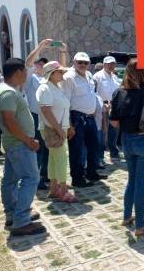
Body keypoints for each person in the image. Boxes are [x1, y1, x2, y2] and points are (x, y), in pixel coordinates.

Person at [110, 59, 144, 236]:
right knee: (141, 182)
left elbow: (114, 122)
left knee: (132, 179)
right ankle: (141, 225)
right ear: (143, 73)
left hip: (127, 139)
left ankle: (127, 216)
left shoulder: (118, 92)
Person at [0, 58, 46, 236]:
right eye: (25, 70)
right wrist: (28, 140)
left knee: (9, 180)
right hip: (19, 144)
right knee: (31, 178)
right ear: (17, 72)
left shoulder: (5, 89)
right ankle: (21, 221)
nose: (27, 73)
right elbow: (10, 121)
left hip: (14, 143)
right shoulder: (8, 93)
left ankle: (12, 214)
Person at [60, 52, 106, 187]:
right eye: (79, 62)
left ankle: (91, 172)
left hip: (90, 117)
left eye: (85, 63)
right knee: (76, 150)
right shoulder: (68, 77)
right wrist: (69, 124)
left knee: (94, 146)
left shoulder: (89, 75)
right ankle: (77, 178)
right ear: (74, 62)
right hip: (76, 117)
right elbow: (65, 102)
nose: (82, 65)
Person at [36, 61, 77, 203]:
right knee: (61, 159)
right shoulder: (45, 88)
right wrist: (59, 129)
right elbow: (45, 111)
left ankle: (54, 189)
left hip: (59, 127)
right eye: (59, 72)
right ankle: (63, 191)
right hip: (52, 129)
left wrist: (68, 126)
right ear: (51, 74)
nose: (63, 74)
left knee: (54, 159)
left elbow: (63, 109)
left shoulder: (55, 87)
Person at [25, 39, 64, 189]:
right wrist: (40, 46)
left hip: (49, 118)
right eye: (38, 63)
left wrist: (62, 50)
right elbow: (28, 61)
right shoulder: (30, 78)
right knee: (38, 149)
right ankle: (37, 179)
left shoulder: (48, 80)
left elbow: (61, 69)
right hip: (36, 117)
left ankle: (46, 176)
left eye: (43, 64)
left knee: (48, 149)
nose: (40, 65)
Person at [93, 56, 121, 161]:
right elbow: (93, 92)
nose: (111, 66)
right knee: (102, 132)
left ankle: (113, 151)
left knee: (114, 130)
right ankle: (100, 156)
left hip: (114, 106)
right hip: (102, 106)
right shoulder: (97, 76)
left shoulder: (115, 77)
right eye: (108, 64)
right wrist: (102, 103)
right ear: (104, 65)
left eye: (113, 63)